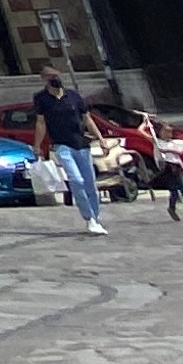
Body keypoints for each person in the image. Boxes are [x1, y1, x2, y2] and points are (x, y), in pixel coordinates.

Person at [32, 67, 107, 237]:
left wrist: (100, 138)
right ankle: (88, 217)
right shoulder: (41, 99)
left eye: (57, 76)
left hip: (81, 143)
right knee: (76, 180)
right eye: (51, 76)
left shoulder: (73, 96)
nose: (56, 79)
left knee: (90, 183)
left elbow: (87, 119)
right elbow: (40, 123)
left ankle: (95, 217)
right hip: (61, 144)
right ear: (44, 79)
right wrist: (37, 145)